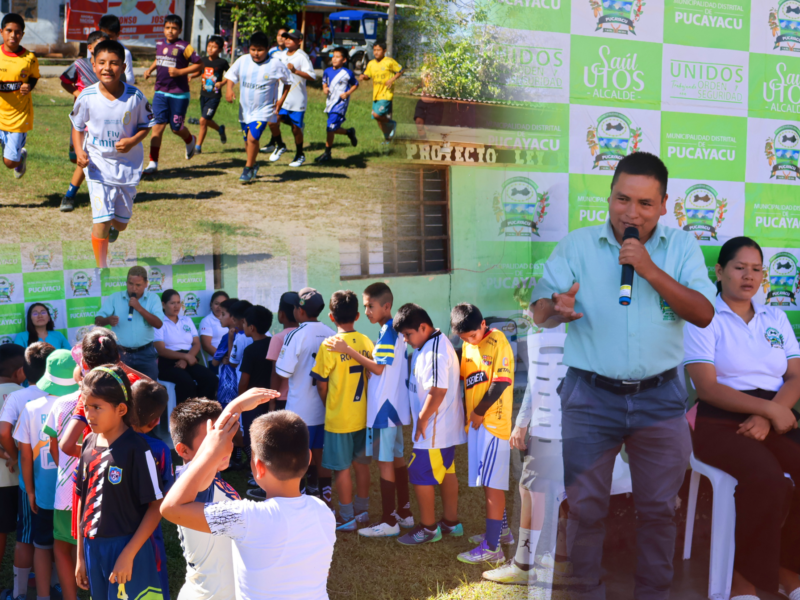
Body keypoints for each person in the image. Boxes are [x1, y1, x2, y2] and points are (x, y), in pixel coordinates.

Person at [529, 151, 716, 598]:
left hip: (661, 398)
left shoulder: (682, 248)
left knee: (657, 510)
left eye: (645, 204)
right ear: (610, 196)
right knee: (587, 508)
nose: (631, 213)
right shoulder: (577, 245)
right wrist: (556, 308)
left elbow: (704, 313)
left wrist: (647, 268)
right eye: (622, 199)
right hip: (590, 398)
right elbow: (538, 313)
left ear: (664, 204)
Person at [685, 236, 800, 600]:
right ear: (719, 272)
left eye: (756, 270)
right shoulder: (705, 317)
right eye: (739, 268)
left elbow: (796, 375)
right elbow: (706, 387)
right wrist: (764, 412)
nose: (748, 276)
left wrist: (769, 414)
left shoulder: (775, 317)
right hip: (721, 420)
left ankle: (788, 568)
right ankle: (743, 580)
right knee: (767, 479)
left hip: (775, 413)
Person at [160, 398, 335, 600]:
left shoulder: (245, 517)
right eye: (215, 438)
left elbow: (171, 508)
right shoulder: (323, 511)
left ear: (258, 467)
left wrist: (212, 448)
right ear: (309, 458)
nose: (224, 443)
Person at [325, 282, 413, 537]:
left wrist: (347, 350)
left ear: (386, 306)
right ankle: (404, 514)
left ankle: (388, 521)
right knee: (397, 459)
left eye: (370, 306)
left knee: (386, 463)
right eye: (364, 307)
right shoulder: (392, 331)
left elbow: (378, 368)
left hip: (384, 410)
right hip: (394, 408)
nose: (367, 312)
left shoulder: (387, 332)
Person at [74, 366, 164, 600]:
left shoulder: (138, 449)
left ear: (121, 409)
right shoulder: (88, 443)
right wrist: (81, 557)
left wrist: (128, 554)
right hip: (93, 549)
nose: (89, 414)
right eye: (86, 406)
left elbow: (156, 508)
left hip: (127, 550)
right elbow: (83, 500)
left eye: (97, 407)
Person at [71, 40, 154, 268]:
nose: (108, 68)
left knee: (120, 224)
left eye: (114, 63)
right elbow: (78, 127)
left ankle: (113, 229)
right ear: (94, 66)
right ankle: (101, 268)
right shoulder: (86, 97)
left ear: (124, 66)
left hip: (127, 167)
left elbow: (147, 124)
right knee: (102, 218)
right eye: (102, 63)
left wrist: (132, 141)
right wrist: (79, 151)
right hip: (97, 165)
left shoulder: (135, 97)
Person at [393, 303, 465, 545]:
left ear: (423, 327)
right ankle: (451, 523)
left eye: (408, 334)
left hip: (435, 428)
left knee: (419, 472)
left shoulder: (435, 350)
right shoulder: (428, 344)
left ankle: (428, 528)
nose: (406, 339)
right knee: (447, 472)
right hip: (439, 428)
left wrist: (422, 420)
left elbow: (438, 390)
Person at [449, 303, 514, 564]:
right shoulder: (466, 346)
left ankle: (492, 548)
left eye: (472, 336)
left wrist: (478, 412)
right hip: (476, 424)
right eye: (464, 338)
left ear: (483, 324)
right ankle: (503, 532)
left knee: (493, 485)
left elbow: (501, 382)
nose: (469, 341)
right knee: (488, 480)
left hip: (493, 423)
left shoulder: (498, 340)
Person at [13, 349, 79, 600]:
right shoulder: (82, 405)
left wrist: (29, 490)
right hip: (74, 493)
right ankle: (74, 589)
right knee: (73, 545)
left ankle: (42, 596)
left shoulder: (32, 407)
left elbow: (25, 456)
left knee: (42, 545)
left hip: (43, 493)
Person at [311, 291, 373, 530]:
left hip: (339, 418)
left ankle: (346, 516)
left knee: (342, 468)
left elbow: (322, 384)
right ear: (358, 315)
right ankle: (363, 511)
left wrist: (330, 404)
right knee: (362, 465)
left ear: (330, 316)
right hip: (363, 415)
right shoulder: (367, 341)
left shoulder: (329, 345)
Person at [169, 399, 240, 600]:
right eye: (212, 440)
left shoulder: (213, 478)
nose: (224, 444)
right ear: (184, 451)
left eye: (225, 436)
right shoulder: (194, 486)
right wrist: (240, 404)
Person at [274, 288, 334, 506]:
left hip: (300, 409)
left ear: (299, 311)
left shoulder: (295, 335)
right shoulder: (330, 332)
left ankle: (296, 498)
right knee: (321, 454)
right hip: (325, 406)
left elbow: (282, 371)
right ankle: (325, 495)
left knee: (297, 455)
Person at [0, 343, 42, 600]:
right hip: (29, 480)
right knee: (33, 532)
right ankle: (38, 579)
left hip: (5, 479)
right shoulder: (28, 395)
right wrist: (14, 456)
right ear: (20, 372)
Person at [223, 31, 292, 183]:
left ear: (267, 49)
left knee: (253, 138)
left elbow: (288, 82)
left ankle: (247, 168)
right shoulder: (243, 60)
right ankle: (253, 164)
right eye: (253, 49)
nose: (256, 53)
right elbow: (230, 76)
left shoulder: (275, 64)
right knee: (247, 141)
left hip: (264, 110)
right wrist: (229, 90)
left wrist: (281, 100)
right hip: (245, 109)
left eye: (260, 50)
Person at [143, 14, 202, 176]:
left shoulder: (185, 46)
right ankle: (153, 163)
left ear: (180, 30)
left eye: (174, 28)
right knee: (157, 128)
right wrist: (150, 69)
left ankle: (190, 140)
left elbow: (200, 64)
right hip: (160, 93)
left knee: (176, 129)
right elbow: (159, 58)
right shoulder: (160, 43)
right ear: (163, 28)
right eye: (167, 28)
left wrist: (181, 72)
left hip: (179, 95)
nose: (170, 31)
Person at [130, 379, 173, 600]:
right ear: (157, 421)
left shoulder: (111, 441)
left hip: (116, 527)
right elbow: (168, 492)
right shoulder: (160, 450)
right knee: (154, 577)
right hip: (149, 529)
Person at [43, 360, 82, 600]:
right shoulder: (116, 401)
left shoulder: (62, 402)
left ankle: (70, 597)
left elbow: (53, 447)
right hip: (105, 488)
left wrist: (66, 470)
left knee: (62, 545)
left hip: (68, 489)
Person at [59, 30, 109, 213]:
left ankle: (70, 195)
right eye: (99, 46)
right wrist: (78, 94)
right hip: (80, 120)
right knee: (76, 158)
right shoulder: (80, 65)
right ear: (90, 48)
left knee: (86, 157)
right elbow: (64, 81)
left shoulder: (108, 68)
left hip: (100, 122)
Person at [95, 266, 164, 381]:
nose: (134, 288)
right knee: (122, 390)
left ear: (146, 284)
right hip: (121, 354)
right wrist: (107, 320)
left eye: (138, 285)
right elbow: (97, 320)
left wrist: (139, 308)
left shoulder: (153, 299)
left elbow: (158, 324)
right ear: (126, 282)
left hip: (146, 354)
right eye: (130, 284)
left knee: (149, 390)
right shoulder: (115, 298)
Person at [154, 289, 218, 404]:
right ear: (163, 305)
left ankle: (203, 411)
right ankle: (185, 417)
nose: (176, 306)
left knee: (210, 378)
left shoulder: (186, 320)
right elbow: (161, 350)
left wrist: (186, 358)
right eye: (172, 303)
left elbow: (196, 343)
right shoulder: (159, 323)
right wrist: (185, 357)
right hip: (168, 363)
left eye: (178, 302)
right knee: (186, 382)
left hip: (189, 359)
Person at [268, 29, 316, 168]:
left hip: (297, 98)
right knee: (272, 122)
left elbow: (312, 76)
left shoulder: (302, 56)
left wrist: (296, 71)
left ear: (299, 41)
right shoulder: (280, 55)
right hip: (281, 97)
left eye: (291, 38)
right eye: (286, 37)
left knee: (296, 129)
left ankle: (300, 154)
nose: (287, 40)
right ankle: (280, 145)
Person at [0, 13, 39, 179]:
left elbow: (34, 76)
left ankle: (20, 157)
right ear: (1, 31)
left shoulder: (29, 58)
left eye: (17, 32)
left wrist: (29, 85)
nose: (13, 35)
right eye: (9, 30)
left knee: (9, 162)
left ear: (22, 34)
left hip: (18, 117)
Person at [315, 47, 358, 164]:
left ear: (344, 60)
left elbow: (355, 84)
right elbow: (324, 81)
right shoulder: (327, 70)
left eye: (337, 57)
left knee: (330, 126)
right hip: (330, 102)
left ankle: (327, 153)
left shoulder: (347, 73)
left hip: (340, 103)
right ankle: (349, 132)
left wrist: (348, 93)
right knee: (333, 128)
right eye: (333, 56)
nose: (334, 59)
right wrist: (324, 88)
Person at [359, 41, 402, 142]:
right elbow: (367, 76)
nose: (376, 52)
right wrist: (363, 77)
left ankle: (392, 124)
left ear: (384, 51)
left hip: (386, 94)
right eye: (374, 50)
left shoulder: (389, 61)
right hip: (376, 94)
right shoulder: (371, 63)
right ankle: (387, 138)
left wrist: (392, 80)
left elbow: (400, 70)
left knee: (377, 115)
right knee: (378, 119)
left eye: (378, 50)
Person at [192, 35, 228, 154]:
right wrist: (192, 76)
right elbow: (199, 71)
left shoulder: (222, 62)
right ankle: (220, 129)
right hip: (203, 95)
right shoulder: (203, 60)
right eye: (209, 46)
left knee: (203, 120)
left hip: (214, 97)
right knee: (206, 121)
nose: (210, 49)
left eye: (214, 47)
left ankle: (198, 147)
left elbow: (231, 76)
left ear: (220, 50)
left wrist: (222, 83)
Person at [266, 292, 299, 412]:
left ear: (281, 314)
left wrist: (272, 401)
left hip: (283, 398)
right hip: (303, 396)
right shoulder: (304, 334)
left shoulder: (278, 338)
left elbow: (276, 373)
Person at [212, 298, 238, 409]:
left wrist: (221, 359)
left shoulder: (227, 337)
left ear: (232, 317)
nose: (220, 318)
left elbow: (214, 362)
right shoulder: (245, 334)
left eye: (223, 314)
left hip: (228, 387)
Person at [97, 14, 134, 85]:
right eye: (104, 36)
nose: (107, 39)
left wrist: (112, 78)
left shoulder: (125, 52)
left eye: (110, 36)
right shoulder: (96, 50)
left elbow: (130, 79)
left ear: (118, 34)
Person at [199, 291, 231, 364]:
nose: (219, 307)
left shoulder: (232, 319)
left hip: (231, 358)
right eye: (216, 304)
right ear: (211, 304)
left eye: (223, 304)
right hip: (216, 360)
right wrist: (221, 357)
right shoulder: (207, 321)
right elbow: (206, 346)